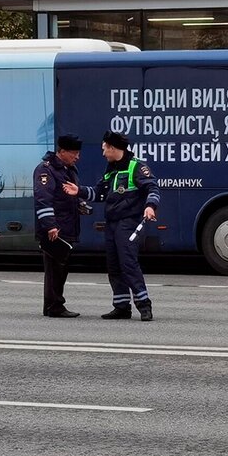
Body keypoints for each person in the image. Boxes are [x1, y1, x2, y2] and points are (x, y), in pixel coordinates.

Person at [92, 130, 159, 321]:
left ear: (113, 148)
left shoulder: (136, 167)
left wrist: (150, 206)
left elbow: (152, 187)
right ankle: (121, 306)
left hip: (128, 223)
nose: (103, 153)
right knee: (113, 266)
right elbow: (99, 193)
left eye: (104, 148)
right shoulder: (111, 168)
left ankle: (144, 305)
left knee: (128, 264)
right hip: (112, 223)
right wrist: (77, 192)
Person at [34, 134, 94, 318]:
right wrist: (50, 226)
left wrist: (80, 206)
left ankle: (53, 304)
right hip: (56, 230)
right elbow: (43, 199)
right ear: (62, 152)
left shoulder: (69, 169)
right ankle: (54, 306)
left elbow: (67, 197)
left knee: (61, 268)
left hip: (67, 226)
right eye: (74, 153)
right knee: (55, 269)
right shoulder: (46, 170)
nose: (77, 157)